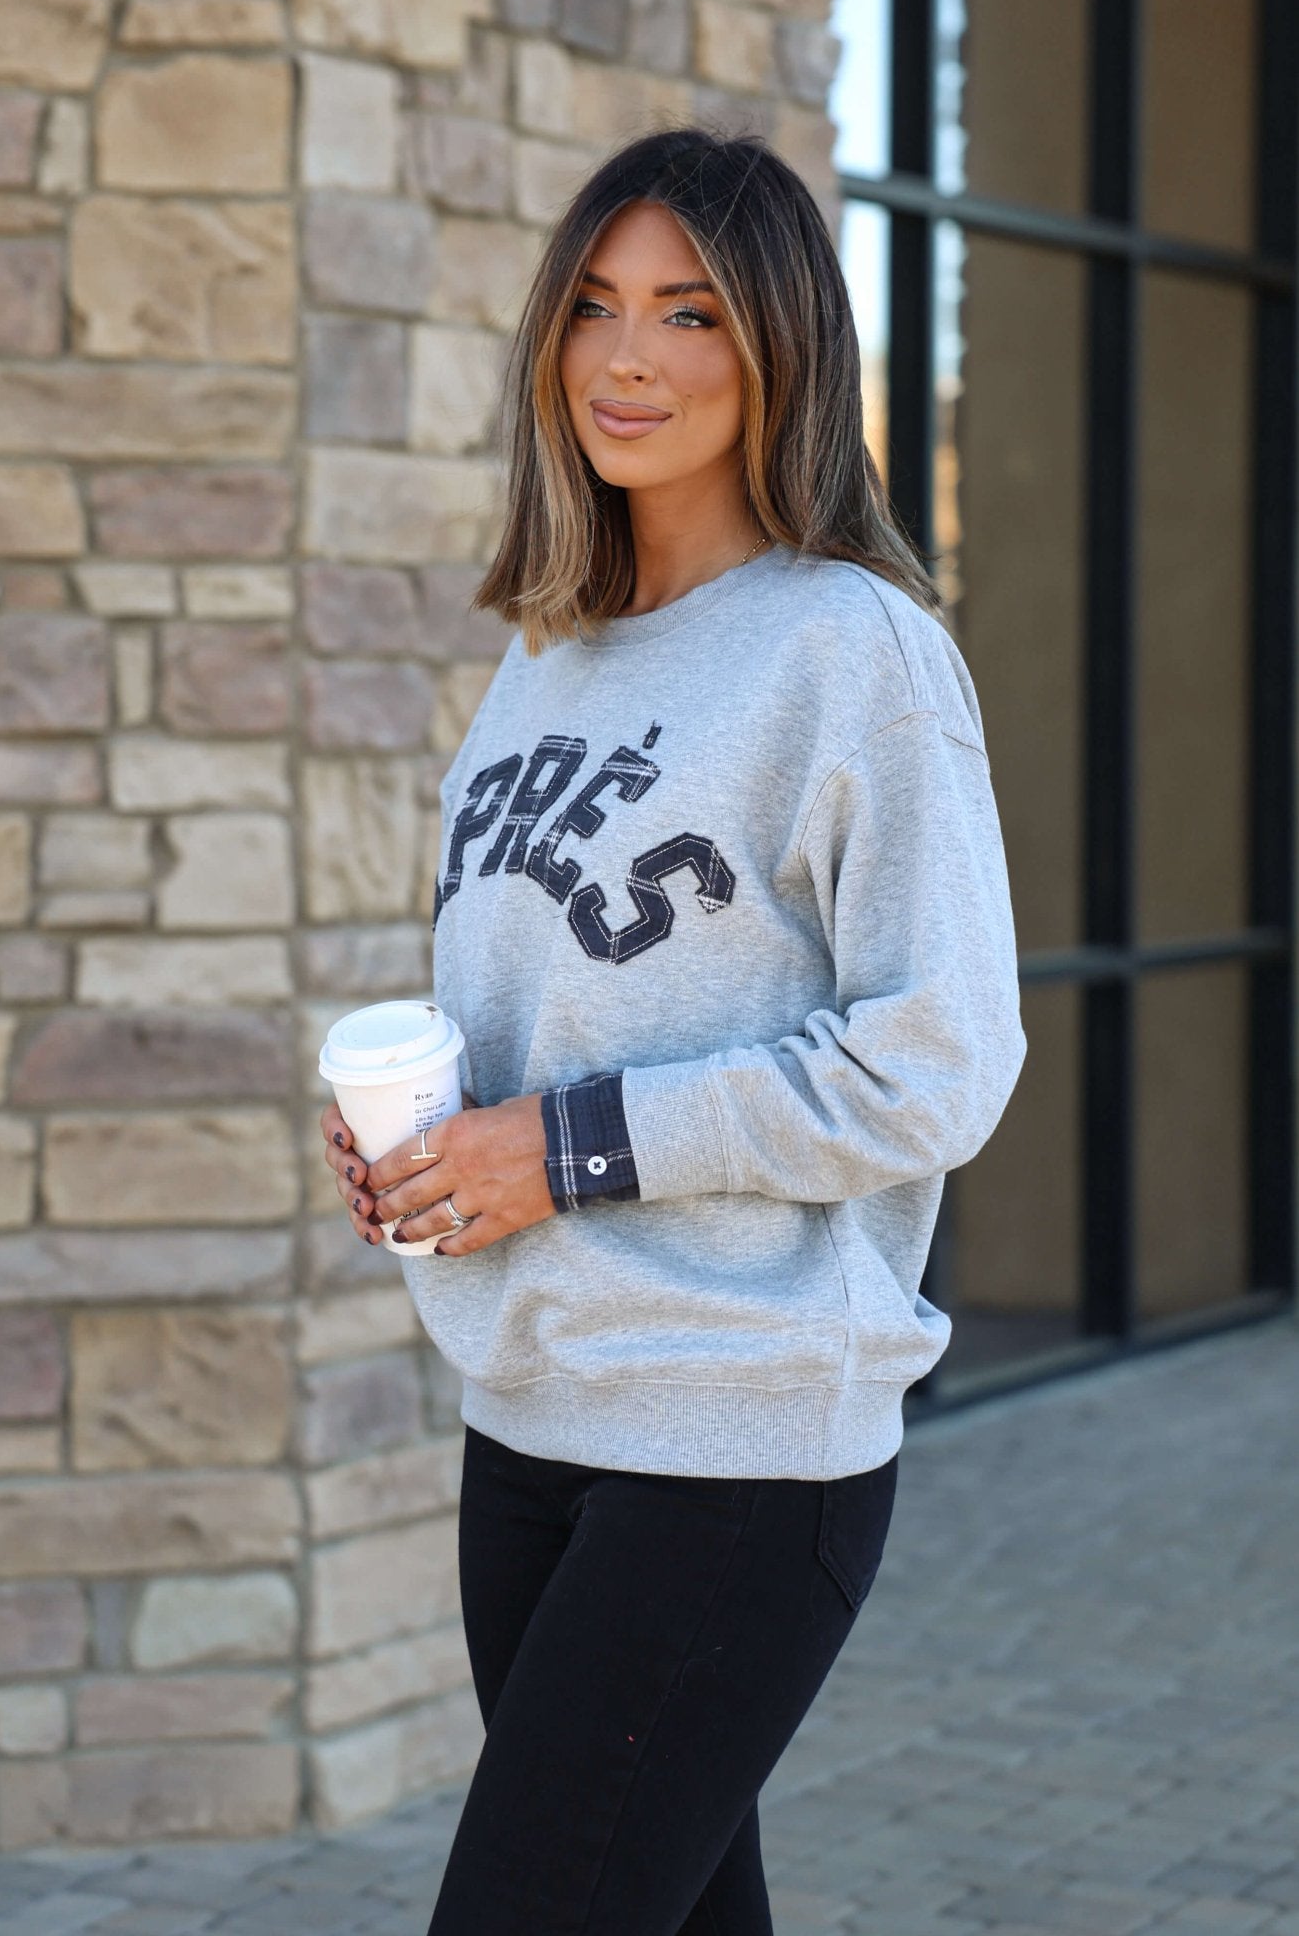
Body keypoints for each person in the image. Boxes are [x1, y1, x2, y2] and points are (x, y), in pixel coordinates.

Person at [318, 126, 1027, 1935]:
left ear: (779, 350)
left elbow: (941, 1060)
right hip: (533, 1408)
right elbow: (534, 1018)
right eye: (597, 307)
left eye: (692, 316)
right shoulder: (548, 651)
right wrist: (434, 1144)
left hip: (733, 1441)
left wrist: (559, 1152)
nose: (629, 359)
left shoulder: (849, 650)